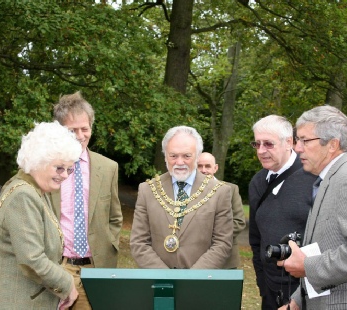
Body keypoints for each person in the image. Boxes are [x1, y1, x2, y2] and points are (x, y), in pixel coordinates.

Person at [279, 105, 347, 309]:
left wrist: (306, 266)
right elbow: (324, 248)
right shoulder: (328, 180)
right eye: (297, 140)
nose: (297, 148)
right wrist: (297, 300)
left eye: (305, 140)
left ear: (332, 145)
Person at [0, 121, 80, 309]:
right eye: (59, 167)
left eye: (69, 169)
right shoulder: (23, 195)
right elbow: (32, 260)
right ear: (38, 161)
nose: (65, 175)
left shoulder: (37, 190)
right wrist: (67, 284)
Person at [50, 91, 123, 309]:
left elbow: (115, 217)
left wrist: (110, 244)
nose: (81, 135)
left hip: (95, 267)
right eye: (72, 130)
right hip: (57, 265)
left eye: (85, 128)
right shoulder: (44, 166)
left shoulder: (108, 167)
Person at [130, 126, 233, 269]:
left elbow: (222, 243)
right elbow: (139, 242)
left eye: (186, 156)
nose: (179, 162)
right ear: (165, 155)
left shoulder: (219, 192)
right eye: (173, 156)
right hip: (158, 283)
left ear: (197, 156)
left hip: (199, 284)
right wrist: (165, 276)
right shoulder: (147, 190)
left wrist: (191, 279)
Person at [248, 115, 316, 309]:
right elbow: (255, 241)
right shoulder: (258, 183)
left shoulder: (314, 179)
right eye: (257, 144)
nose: (261, 151)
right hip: (270, 292)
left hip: (306, 294)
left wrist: (300, 297)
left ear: (289, 142)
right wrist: (263, 286)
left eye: (268, 144)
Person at [197, 152, 246, 269]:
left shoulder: (231, 189)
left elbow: (238, 222)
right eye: (199, 166)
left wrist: (211, 237)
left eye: (208, 166)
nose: (203, 170)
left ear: (215, 168)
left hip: (226, 260)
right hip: (194, 260)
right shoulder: (186, 192)